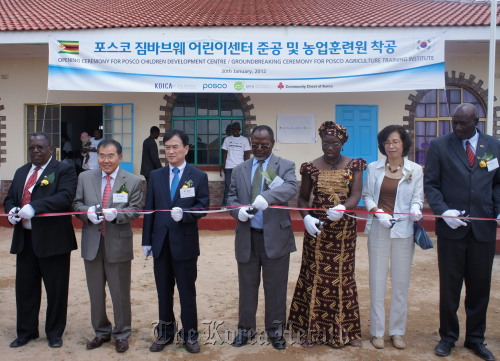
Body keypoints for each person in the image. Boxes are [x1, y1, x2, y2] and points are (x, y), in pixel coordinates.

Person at [424, 103, 500, 361]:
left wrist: (498, 210)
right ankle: (448, 337)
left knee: (480, 287)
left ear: (475, 121)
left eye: (463, 123)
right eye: (454, 122)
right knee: (450, 287)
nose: (457, 127)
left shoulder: (493, 146)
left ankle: (476, 339)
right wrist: (443, 211)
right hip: (451, 231)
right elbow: (431, 184)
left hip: (483, 230)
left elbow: (498, 183)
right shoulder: (439, 146)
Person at [287, 121, 366, 348]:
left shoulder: (355, 165)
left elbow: (356, 194)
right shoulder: (310, 167)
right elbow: (302, 199)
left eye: (335, 143)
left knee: (342, 276)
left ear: (342, 143)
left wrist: (343, 208)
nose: (330, 147)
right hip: (317, 229)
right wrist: (306, 218)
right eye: (326, 143)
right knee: (314, 276)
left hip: (343, 231)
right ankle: (310, 331)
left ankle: (347, 331)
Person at [4, 132, 77, 348]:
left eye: (40, 147)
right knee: (25, 289)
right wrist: (12, 210)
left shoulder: (63, 170)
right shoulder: (21, 172)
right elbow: (9, 198)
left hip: (54, 241)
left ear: (50, 148)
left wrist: (35, 207)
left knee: (56, 290)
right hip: (25, 240)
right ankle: (26, 331)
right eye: (32, 148)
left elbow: (65, 196)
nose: (35, 151)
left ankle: (54, 332)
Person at [227, 125, 297, 350]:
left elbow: (291, 187)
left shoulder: (285, 165)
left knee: (276, 287)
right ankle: (245, 329)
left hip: (276, 237)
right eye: (255, 144)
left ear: (272, 143)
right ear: (250, 142)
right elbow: (231, 198)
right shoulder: (239, 169)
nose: (259, 149)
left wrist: (266, 196)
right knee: (247, 287)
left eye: (264, 145)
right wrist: (238, 212)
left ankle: (276, 331)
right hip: (248, 237)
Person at [142, 129, 209, 354]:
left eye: (175, 147)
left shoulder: (198, 176)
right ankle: (165, 333)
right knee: (163, 291)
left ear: (186, 149)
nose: (171, 151)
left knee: (187, 292)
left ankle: (190, 334)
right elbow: (149, 209)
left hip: (185, 244)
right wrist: (146, 240)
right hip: (160, 243)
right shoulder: (156, 176)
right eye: (167, 147)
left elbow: (203, 206)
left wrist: (187, 214)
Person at [72, 139, 143, 353]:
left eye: (110, 156)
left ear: (120, 157)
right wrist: (87, 213)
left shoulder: (132, 180)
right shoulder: (85, 177)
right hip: (92, 243)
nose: (106, 160)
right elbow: (76, 205)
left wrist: (118, 215)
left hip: (118, 243)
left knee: (120, 291)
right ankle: (101, 331)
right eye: (102, 156)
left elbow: (135, 209)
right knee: (95, 292)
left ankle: (122, 333)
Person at [361, 125, 424, 350]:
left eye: (396, 141)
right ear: (382, 145)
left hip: (403, 230)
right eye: (387, 142)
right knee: (377, 280)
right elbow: (367, 195)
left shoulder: (415, 169)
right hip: (379, 228)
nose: (391, 146)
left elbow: (417, 197)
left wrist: (416, 210)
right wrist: (377, 211)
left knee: (400, 283)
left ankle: (397, 331)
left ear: (404, 144)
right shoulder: (374, 168)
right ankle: (377, 331)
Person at [220, 122, 251, 207]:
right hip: (229, 167)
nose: (235, 131)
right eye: (233, 129)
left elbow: (247, 155)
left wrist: (246, 167)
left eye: (237, 129)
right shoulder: (227, 139)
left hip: (240, 167)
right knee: (228, 186)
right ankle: (225, 205)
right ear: (231, 130)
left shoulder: (244, 140)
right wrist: (222, 168)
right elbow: (224, 154)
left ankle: (240, 204)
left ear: (239, 130)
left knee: (241, 186)